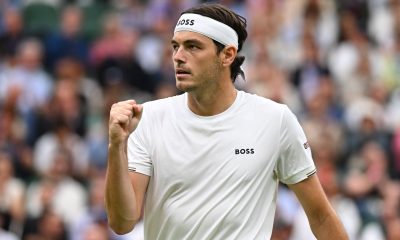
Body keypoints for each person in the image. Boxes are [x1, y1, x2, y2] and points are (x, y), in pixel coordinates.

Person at [105, 3, 349, 239]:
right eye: (175, 46)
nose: (178, 57)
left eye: (193, 47)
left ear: (227, 55)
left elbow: (321, 217)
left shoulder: (275, 120)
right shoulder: (147, 118)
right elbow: (122, 222)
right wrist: (117, 147)